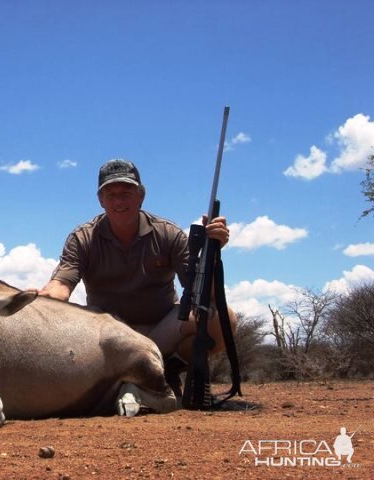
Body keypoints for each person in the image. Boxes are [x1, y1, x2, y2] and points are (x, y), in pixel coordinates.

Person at [39, 158, 237, 402]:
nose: (119, 201)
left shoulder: (168, 233)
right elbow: (62, 283)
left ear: (141, 196)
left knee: (222, 317)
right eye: (110, 194)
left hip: (162, 332)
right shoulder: (83, 237)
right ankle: (136, 376)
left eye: (126, 192)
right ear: (100, 200)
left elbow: (203, 295)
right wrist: (41, 300)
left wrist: (213, 253)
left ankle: (162, 370)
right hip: (108, 336)